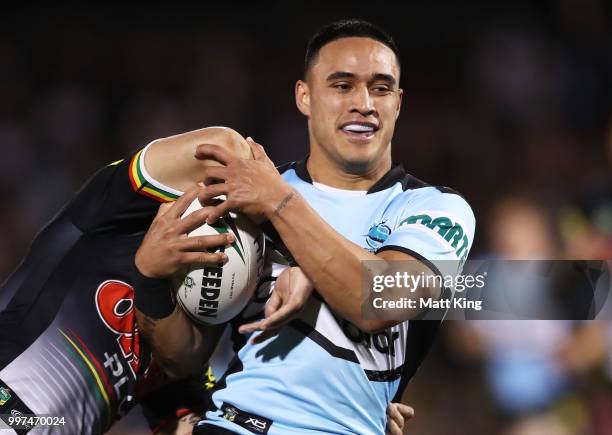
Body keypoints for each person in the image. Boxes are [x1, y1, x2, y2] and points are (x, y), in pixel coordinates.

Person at [136, 19, 476, 435]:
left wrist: (279, 207)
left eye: (381, 88)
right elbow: (183, 356)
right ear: (305, 97)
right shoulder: (244, 198)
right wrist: (150, 279)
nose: (364, 103)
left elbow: (382, 298)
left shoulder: (437, 209)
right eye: (342, 85)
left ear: (398, 103)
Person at [0, 124, 412, 435]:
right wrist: (279, 205)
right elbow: (226, 146)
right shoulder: (113, 213)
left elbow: (187, 383)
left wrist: (348, 397)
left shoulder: (191, 341)